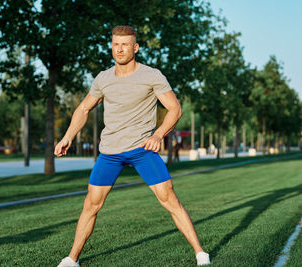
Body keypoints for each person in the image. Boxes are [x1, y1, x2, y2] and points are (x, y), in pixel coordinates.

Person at [55, 25, 210, 267]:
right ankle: (71, 259)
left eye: (125, 44)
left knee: (169, 198)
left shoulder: (151, 75)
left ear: (135, 47)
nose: (120, 49)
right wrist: (67, 137)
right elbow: (84, 108)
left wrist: (158, 135)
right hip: (109, 153)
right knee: (91, 204)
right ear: (111, 46)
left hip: (142, 150)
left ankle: (201, 254)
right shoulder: (103, 78)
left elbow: (175, 108)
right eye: (116, 44)